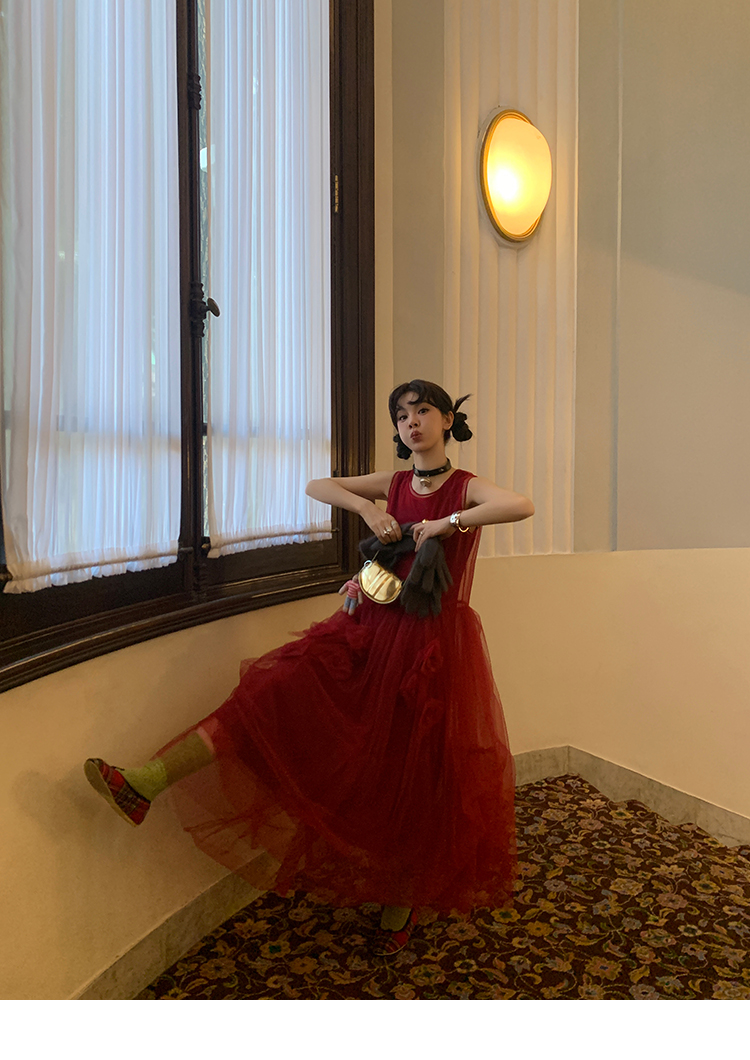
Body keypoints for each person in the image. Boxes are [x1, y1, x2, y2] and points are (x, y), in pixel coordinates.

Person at [85, 380, 534, 955]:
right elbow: (317, 484)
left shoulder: (465, 486)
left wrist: (451, 523)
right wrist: (368, 509)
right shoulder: (394, 483)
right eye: (402, 415)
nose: (412, 422)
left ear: (447, 420)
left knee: (414, 769)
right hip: (367, 624)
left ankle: (402, 895)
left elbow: (521, 505)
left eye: (424, 411)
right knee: (269, 692)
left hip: (430, 644)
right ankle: (145, 783)